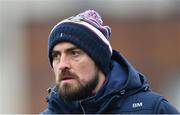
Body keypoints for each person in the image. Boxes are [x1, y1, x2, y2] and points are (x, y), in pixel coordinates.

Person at [41, 10, 179, 114]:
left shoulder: (151, 109)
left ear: (99, 60)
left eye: (74, 53)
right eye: (56, 56)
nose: (63, 64)